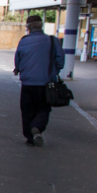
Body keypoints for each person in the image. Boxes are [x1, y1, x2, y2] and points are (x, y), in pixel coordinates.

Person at [13, 14, 65, 147]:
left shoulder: (23, 40)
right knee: (43, 108)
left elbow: (17, 59)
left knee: (26, 110)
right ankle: (37, 127)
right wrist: (54, 72)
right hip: (45, 82)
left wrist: (18, 70)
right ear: (41, 26)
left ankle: (30, 139)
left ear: (28, 27)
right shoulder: (52, 41)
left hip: (27, 82)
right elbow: (60, 61)